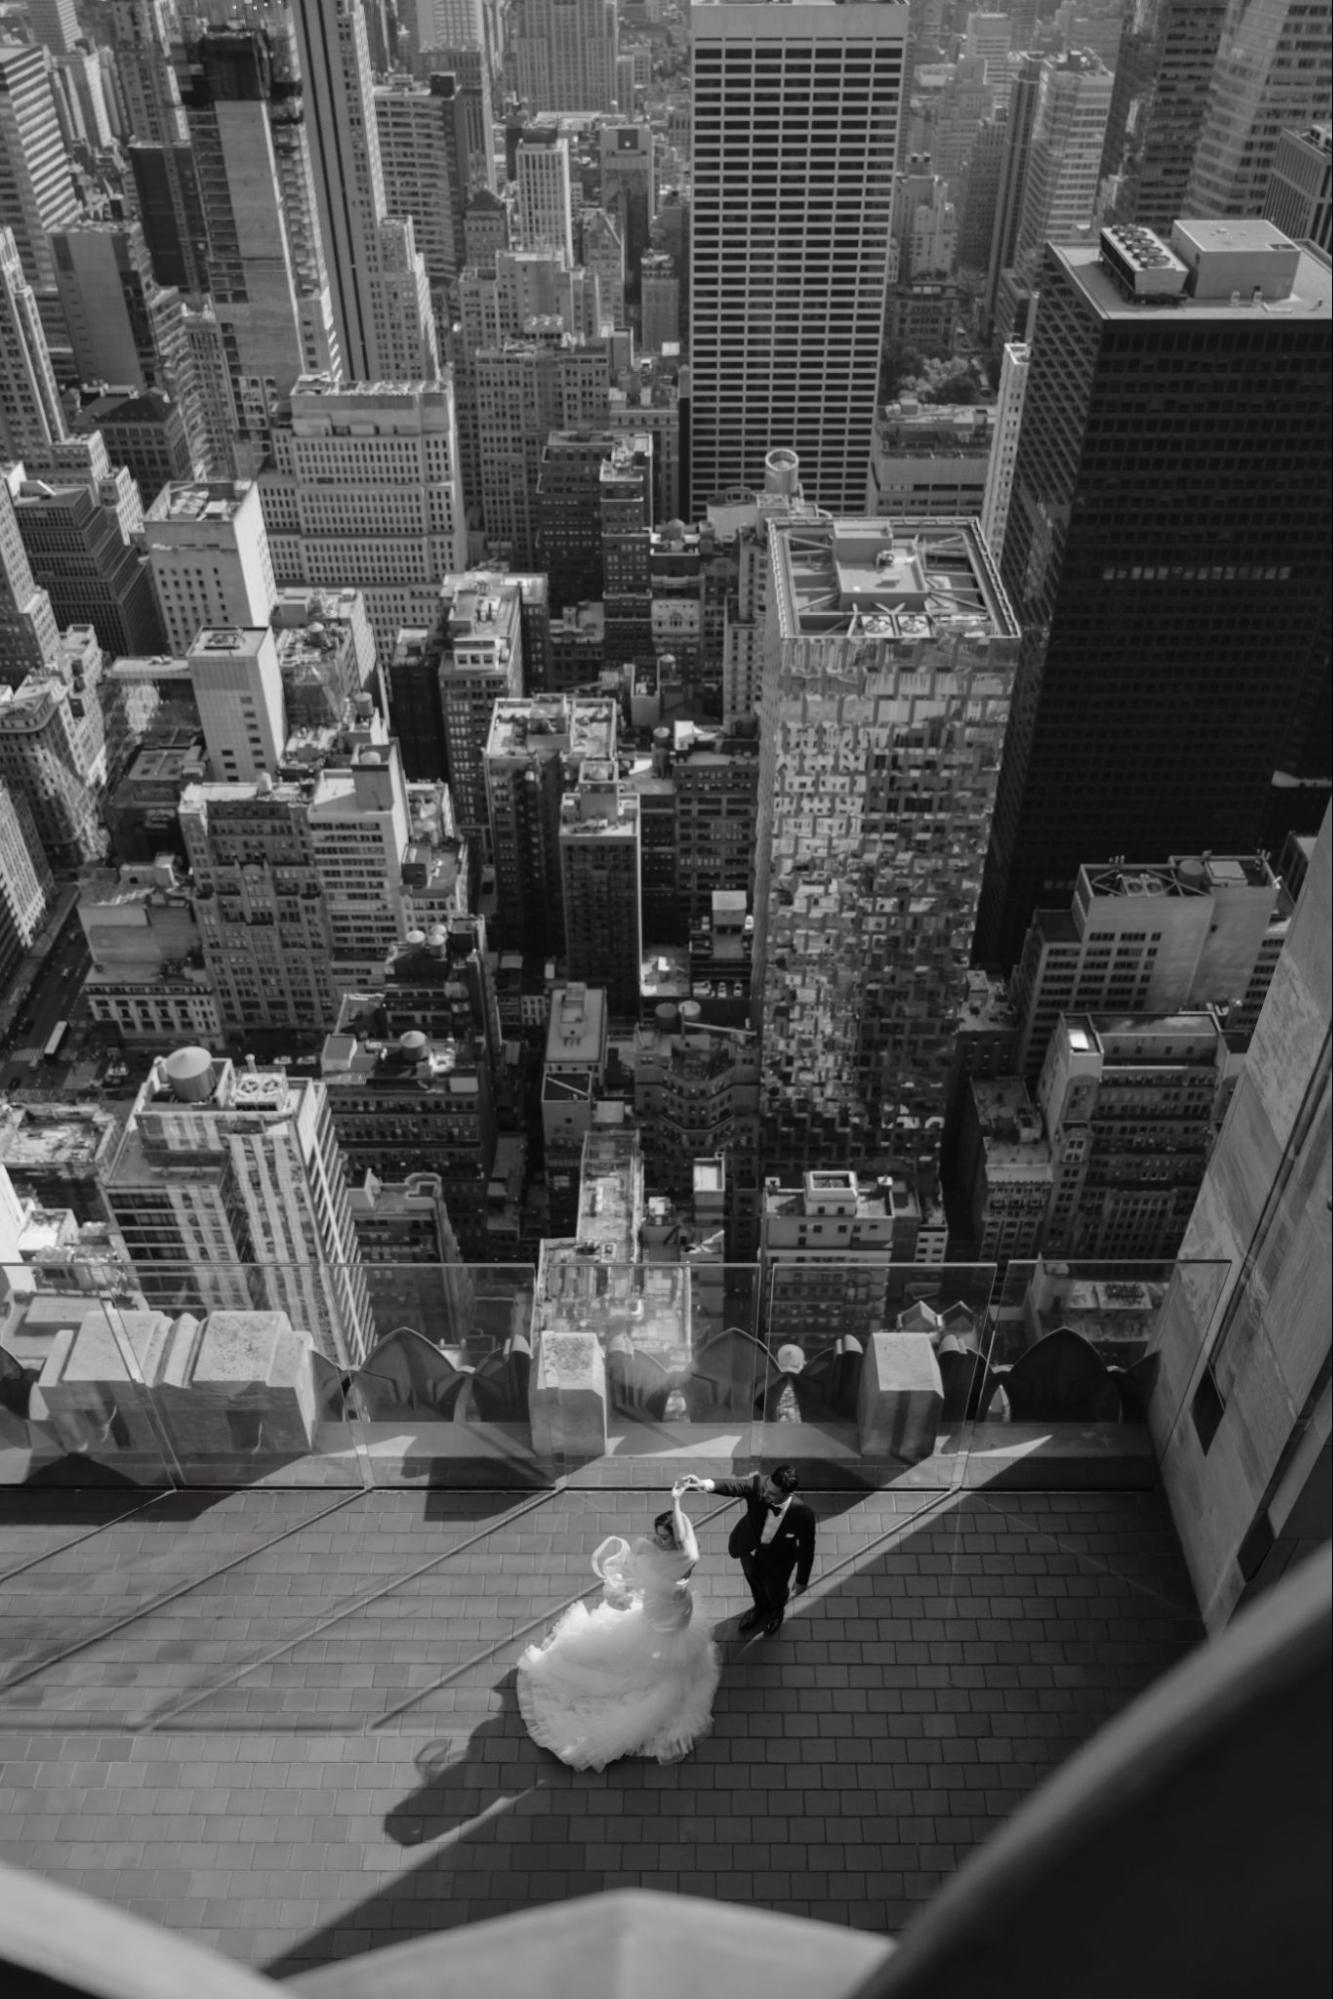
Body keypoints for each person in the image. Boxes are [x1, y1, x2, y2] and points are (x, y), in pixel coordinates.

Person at [516, 1480, 720, 1770]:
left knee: (670, 1649)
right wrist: (625, 1588)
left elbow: (685, 1547)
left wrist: (677, 1502)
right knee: (653, 1649)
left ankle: (655, 1669)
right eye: (658, 1534)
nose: (658, 1540)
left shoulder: (683, 1558)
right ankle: (646, 1672)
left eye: (665, 1537)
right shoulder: (656, 1552)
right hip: (656, 1611)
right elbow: (635, 1574)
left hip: (674, 1612)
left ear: (677, 1539)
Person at [683, 1466, 815, 1636]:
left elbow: (807, 1548)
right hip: (748, 1546)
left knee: (775, 1590)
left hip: (778, 1560)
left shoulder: (803, 1514)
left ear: (788, 1494)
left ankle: (776, 1610)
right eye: (766, 1488)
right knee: (752, 1578)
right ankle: (759, 1607)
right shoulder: (759, 1484)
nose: (763, 1495)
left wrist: (802, 1580)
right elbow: (734, 1486)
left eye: (772, 1494)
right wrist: (704, 1484)